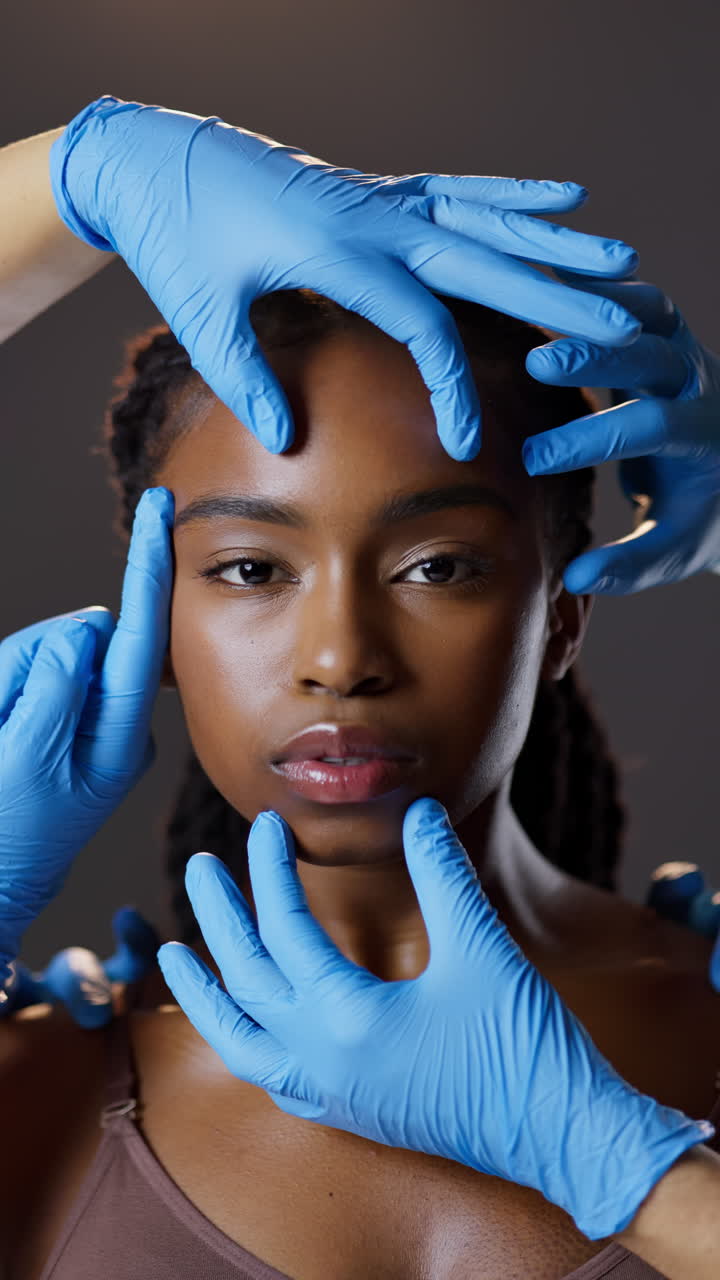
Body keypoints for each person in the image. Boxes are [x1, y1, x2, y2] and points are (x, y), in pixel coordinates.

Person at [3, 282, 719, 1279]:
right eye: (252, 568)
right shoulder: (43, 1080)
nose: (339, 657)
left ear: (559, 612)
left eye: (437, 566)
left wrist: (634, 1169)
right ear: (154, 615)